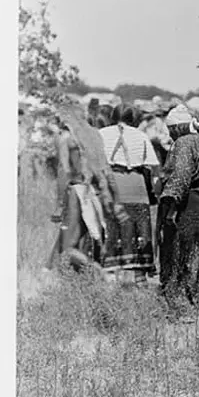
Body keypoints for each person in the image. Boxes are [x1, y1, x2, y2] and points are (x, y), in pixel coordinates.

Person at [157, 104, 199, 319]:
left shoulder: (184, 143)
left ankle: (186, 308)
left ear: (178, 128)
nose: (169, 134)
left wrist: (170, 209)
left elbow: (181, 175)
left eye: (170, 130)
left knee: (184, 255)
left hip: (187, 207)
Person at [46, 106, 117, 272]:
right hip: (99, 190)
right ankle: (80, 271)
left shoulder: (67, 138)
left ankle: (97, 271)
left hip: (79, 192)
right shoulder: (95, 134)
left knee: (67, 246)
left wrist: (59, 205)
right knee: (92, 237)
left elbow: (64, 171)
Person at [99, 103, 160, 281]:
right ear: (133, 118)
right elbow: (154, 168)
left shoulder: (102, 134)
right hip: (137, 188)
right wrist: (156, 192)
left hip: (113, 188)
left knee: (111, 232)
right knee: (140, 233)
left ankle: (111, 280)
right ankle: (140, 279)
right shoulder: (140, 136)